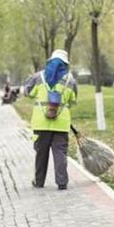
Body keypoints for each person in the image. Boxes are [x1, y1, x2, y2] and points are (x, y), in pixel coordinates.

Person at [25, 49, 77, 190]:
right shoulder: (70, 80)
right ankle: (62, 182)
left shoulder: (38, 77)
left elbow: (27, 92)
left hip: (40, 123)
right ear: (65, 64)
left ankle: (39, 181)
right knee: (60, 153)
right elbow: (73, 99)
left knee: (41, 154)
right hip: (61, 123)